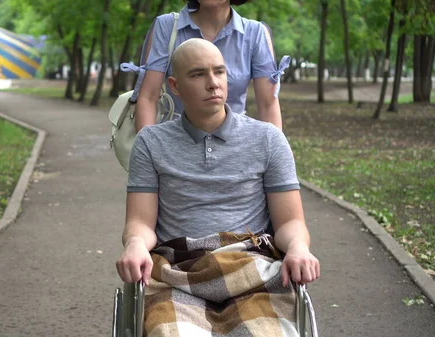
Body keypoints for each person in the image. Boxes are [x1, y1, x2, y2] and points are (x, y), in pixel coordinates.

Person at [115, 38, 319, 336]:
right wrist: (134, 244)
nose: (213, 83)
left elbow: (290, 221)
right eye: (198, 74)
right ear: (174, 85)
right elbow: (140, 222)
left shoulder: (268, 139)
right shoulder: (151, 143)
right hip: (177, 271)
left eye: (219, 72)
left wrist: (299, 248)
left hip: (251, 269)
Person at [129, 0, 289, 131]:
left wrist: (274, 161)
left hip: (236, 147)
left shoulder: (255, 33)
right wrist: (147, 156)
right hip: (176, 146)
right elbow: (148, 97)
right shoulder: (167, 27)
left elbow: (268, 105)